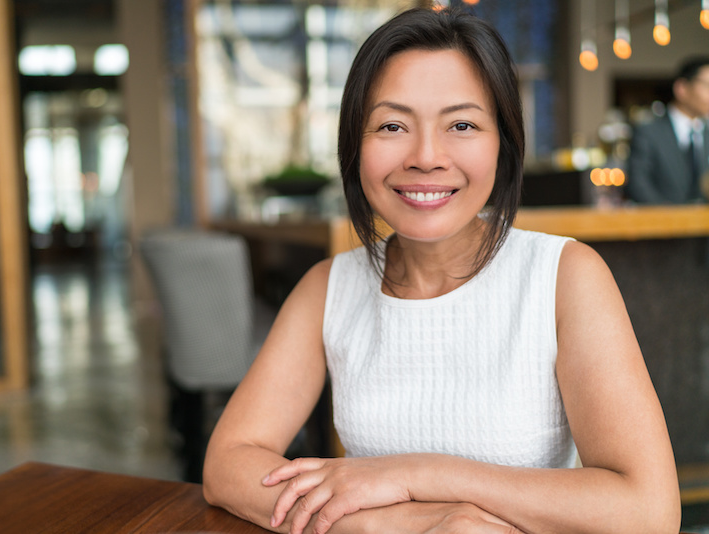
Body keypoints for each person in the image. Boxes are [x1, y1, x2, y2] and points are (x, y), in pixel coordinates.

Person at [203, 7, 681, 534]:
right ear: (353, 147)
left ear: (503, 142)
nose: (426, 156)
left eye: (461, 124)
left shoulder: (563, 276)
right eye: (391, 125)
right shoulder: (329, 287)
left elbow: (646, 510)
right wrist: (395, 523)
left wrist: (416, 475)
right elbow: (228, 464)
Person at [627, 56, 709, 204]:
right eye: (707, 86)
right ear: (682, 89)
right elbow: (638, 185)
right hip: (664, 222)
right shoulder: (648, 132)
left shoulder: (706, 132)